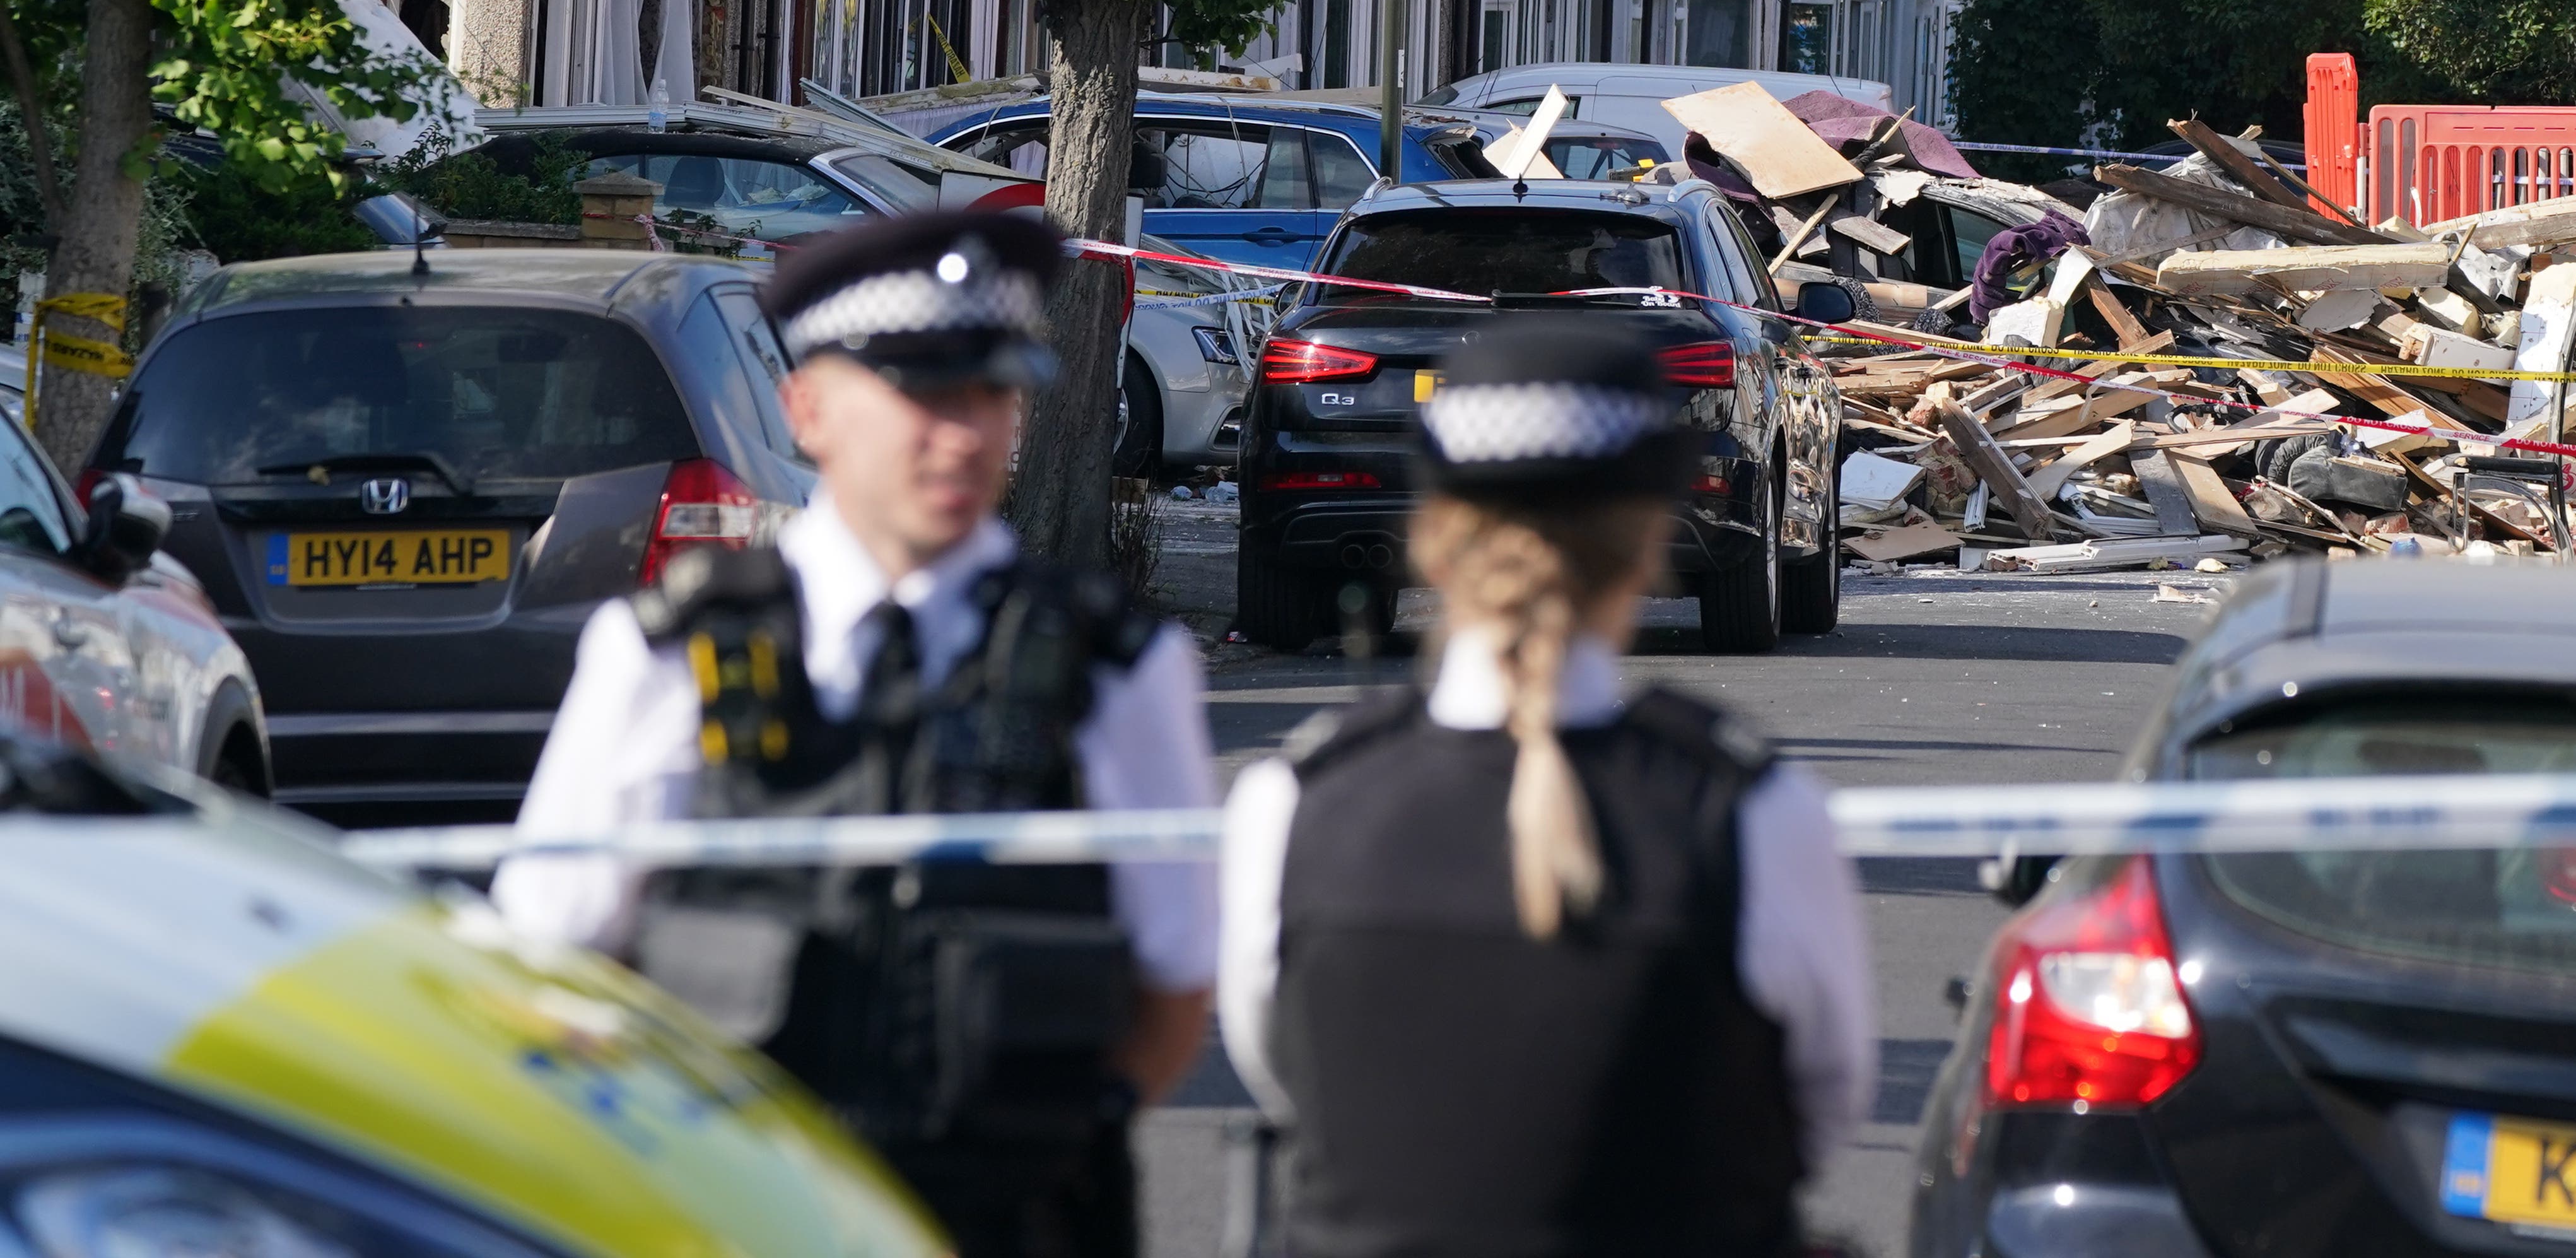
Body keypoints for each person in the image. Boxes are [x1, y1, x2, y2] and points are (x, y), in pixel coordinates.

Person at [496, 209, 1217, 1258]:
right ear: (811, 411)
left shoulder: (1115, 667)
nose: (965, 435)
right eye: (924, 395)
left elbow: (1174, 987)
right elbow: (553, 965)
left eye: (991, 395)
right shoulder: (670, 654)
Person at [1219, 314, 1873, 1257]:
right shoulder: (1748, 813)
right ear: (1646, 545)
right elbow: (1817, 1111)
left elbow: (1287, 1072)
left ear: (1433, 541)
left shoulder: (1297, 805)